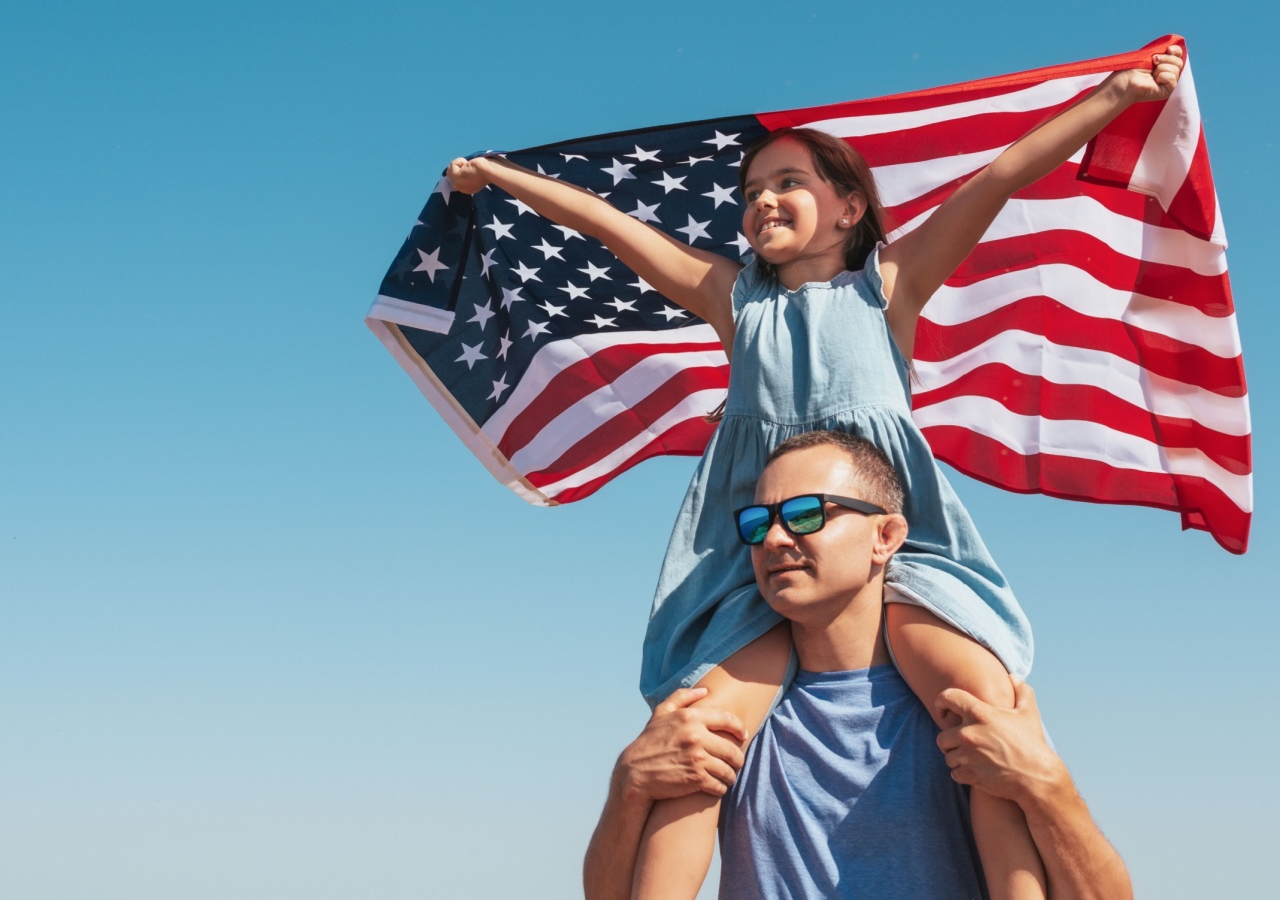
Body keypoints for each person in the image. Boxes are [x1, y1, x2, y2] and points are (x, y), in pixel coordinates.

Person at [447, 46, 1183, 899]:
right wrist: (503, 179)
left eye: (788, 183)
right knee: (697, 730)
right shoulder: (736, 302)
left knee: (982, 708)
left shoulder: (888, 289)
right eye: (751, 192)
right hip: (756, 552)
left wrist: (1117, 96)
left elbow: (998, 179)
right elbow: (618, 231)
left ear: (848, 212)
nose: (762, 200)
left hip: (888, 548)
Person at [584, 433, 1132, 900]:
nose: (775, 539)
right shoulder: (725, 712)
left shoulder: (972, 706)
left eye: (806, 514)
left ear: (885, 536)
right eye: (758, 523)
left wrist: (1051, 790)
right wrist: (627, 786)